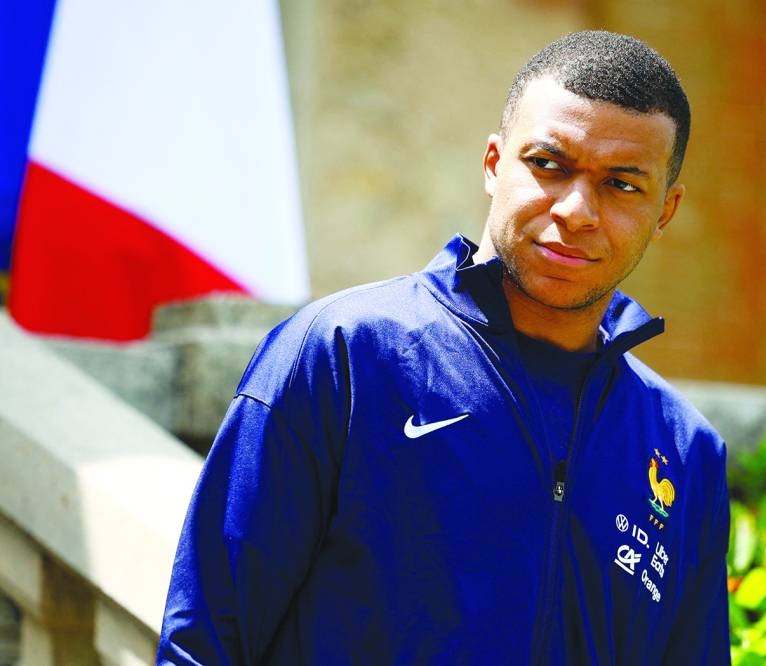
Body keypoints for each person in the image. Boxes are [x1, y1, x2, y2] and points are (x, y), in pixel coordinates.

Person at [158, 30, 731, 665]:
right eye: (549, 164)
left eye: (621, 185)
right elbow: (204, 643)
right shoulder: (345, 354)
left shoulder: (684, 451)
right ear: (493, 163)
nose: (576, 210)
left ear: (665, 210)